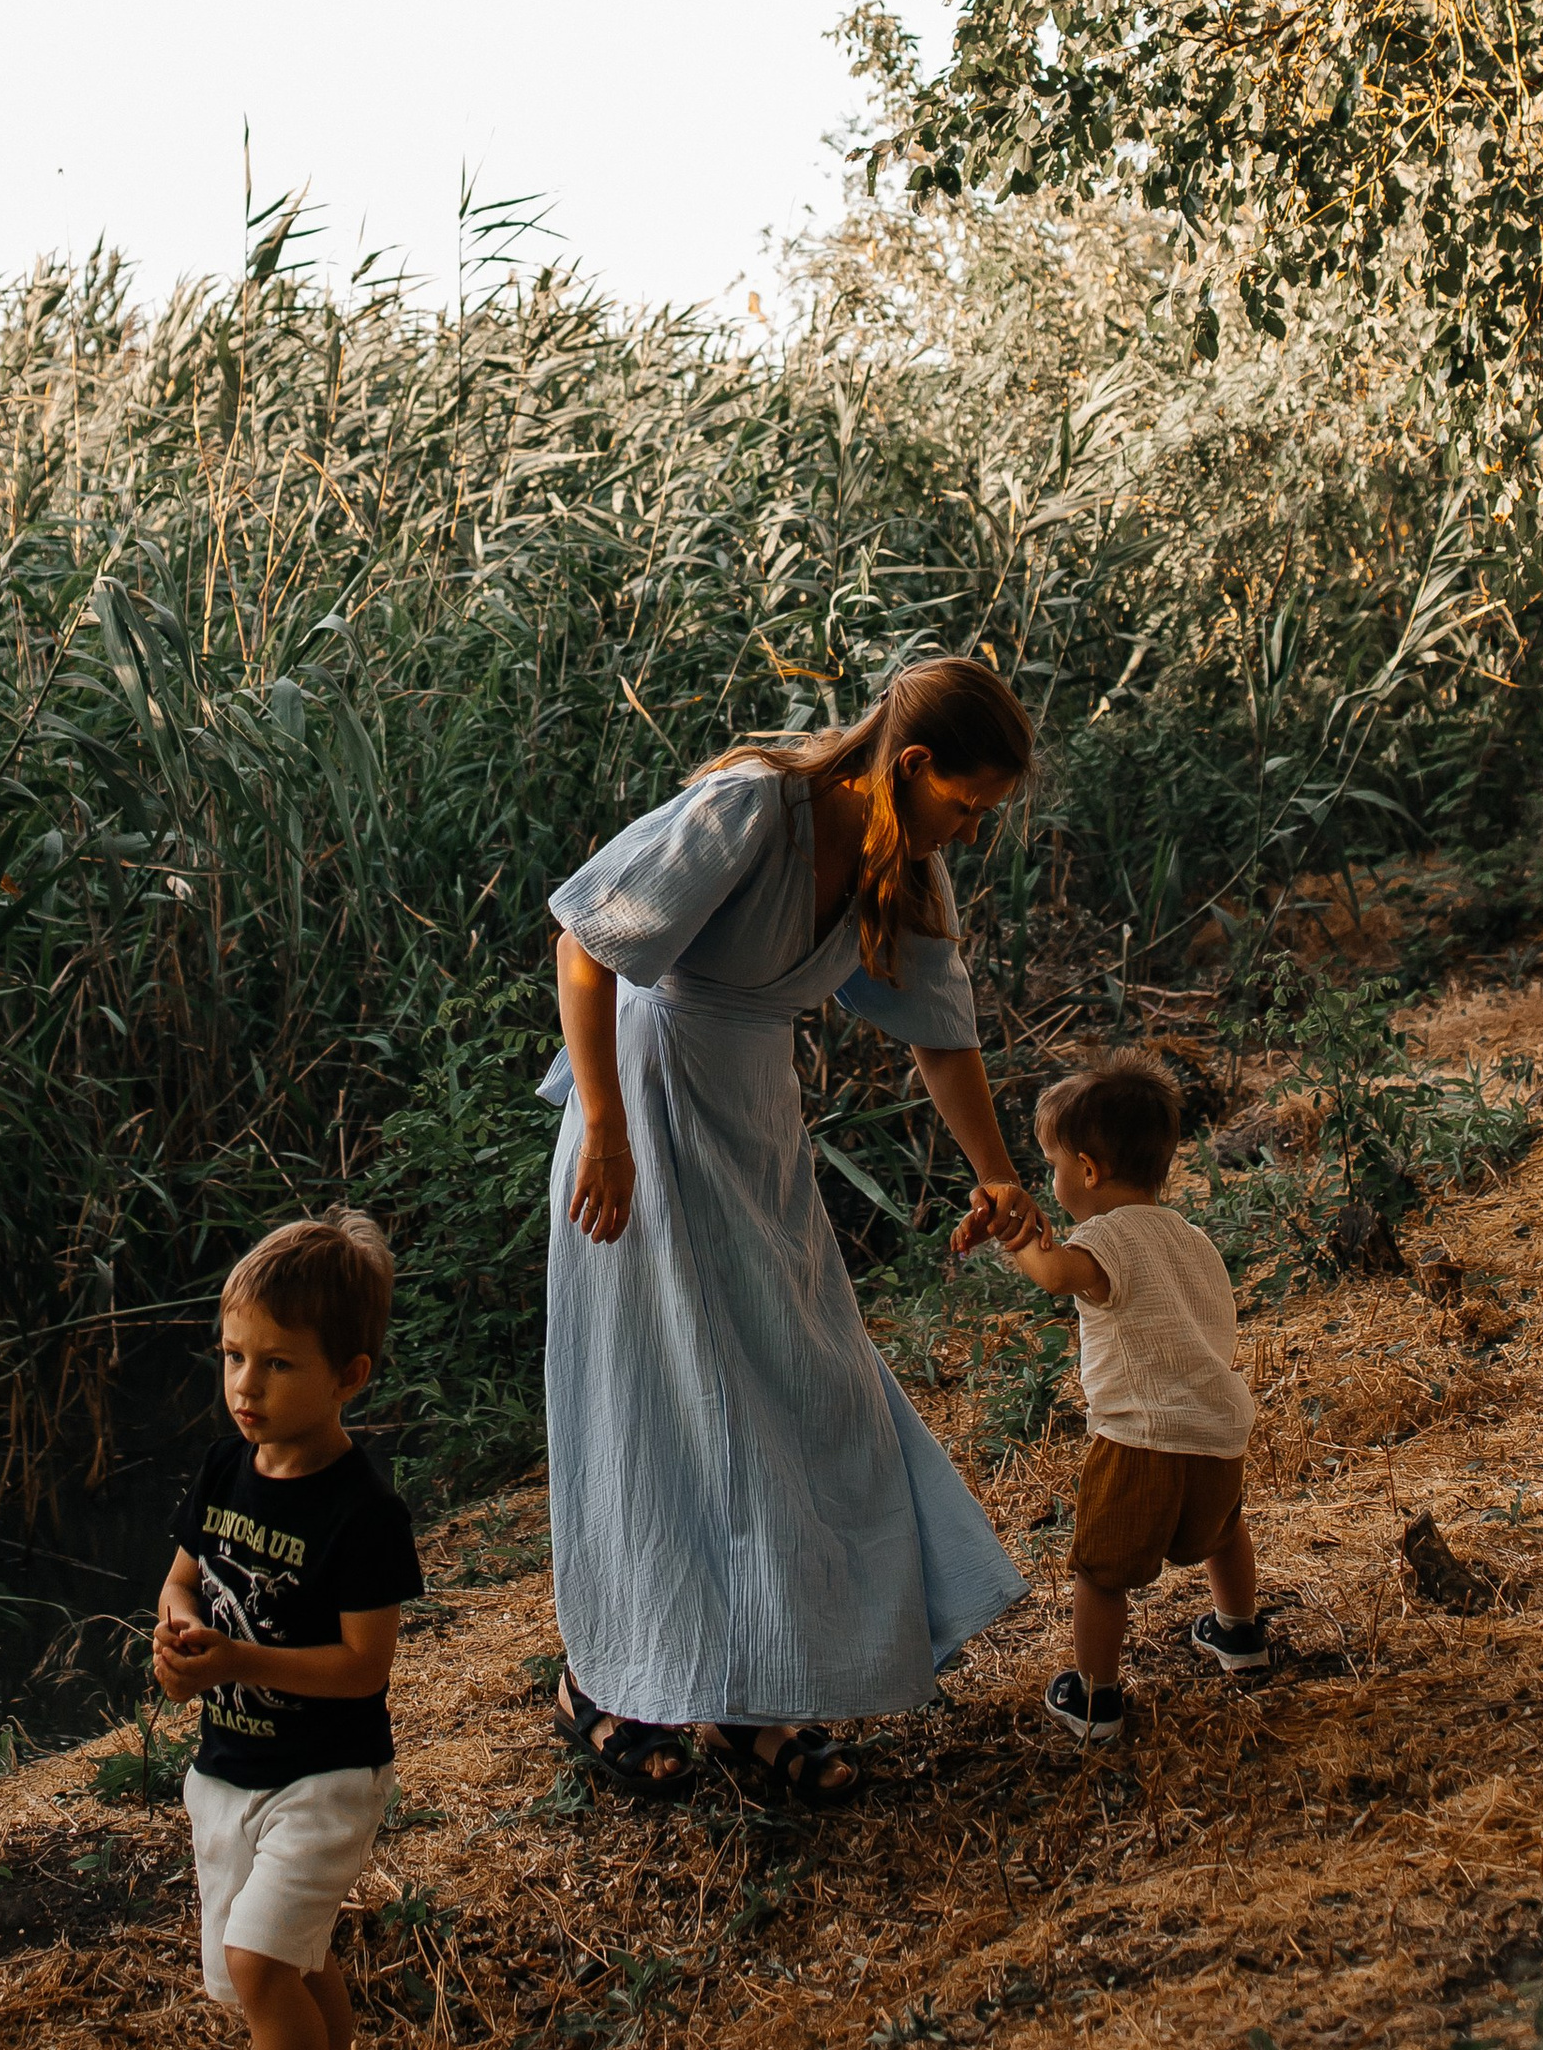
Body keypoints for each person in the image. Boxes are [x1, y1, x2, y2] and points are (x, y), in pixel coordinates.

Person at [542, 653, 1044, 1809]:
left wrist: (999, 1175)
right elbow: (585, 940)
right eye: (964, 806)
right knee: (663, 1397)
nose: (968, 832)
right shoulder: (749, 809)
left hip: (752, 1118)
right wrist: (606, 1129)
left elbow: (938, 1029)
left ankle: (751, 1694)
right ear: (910, 766)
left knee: (794, 1385)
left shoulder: (903, 865)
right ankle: (604, 1684)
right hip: (646, 1108)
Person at [153, 1210, 423, 2050]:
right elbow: (181, 1580)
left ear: (348, 1375)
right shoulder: (227, 1470)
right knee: (283, 1961)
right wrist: (174, 1645)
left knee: (261, 1960)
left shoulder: (363, 1512)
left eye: (276, 1364)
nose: (245, 1386)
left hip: (326, 1775)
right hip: (229, 1769)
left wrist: (240, 1664)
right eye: (232, 1358)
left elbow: (364, 1666)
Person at [995, 1050, 1266, 1745]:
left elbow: (1058, 1275)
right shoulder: (1193, 1239)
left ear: (1087, 1170)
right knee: (1225, 1529)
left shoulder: (1104, 1236)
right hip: (1216, 1435)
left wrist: (1014, 1236)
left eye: (1053, 1165)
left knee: (1100, 1571)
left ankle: (1095, 1698)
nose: (1053, 1181)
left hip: (1138, 1440)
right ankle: (1240, 1634)